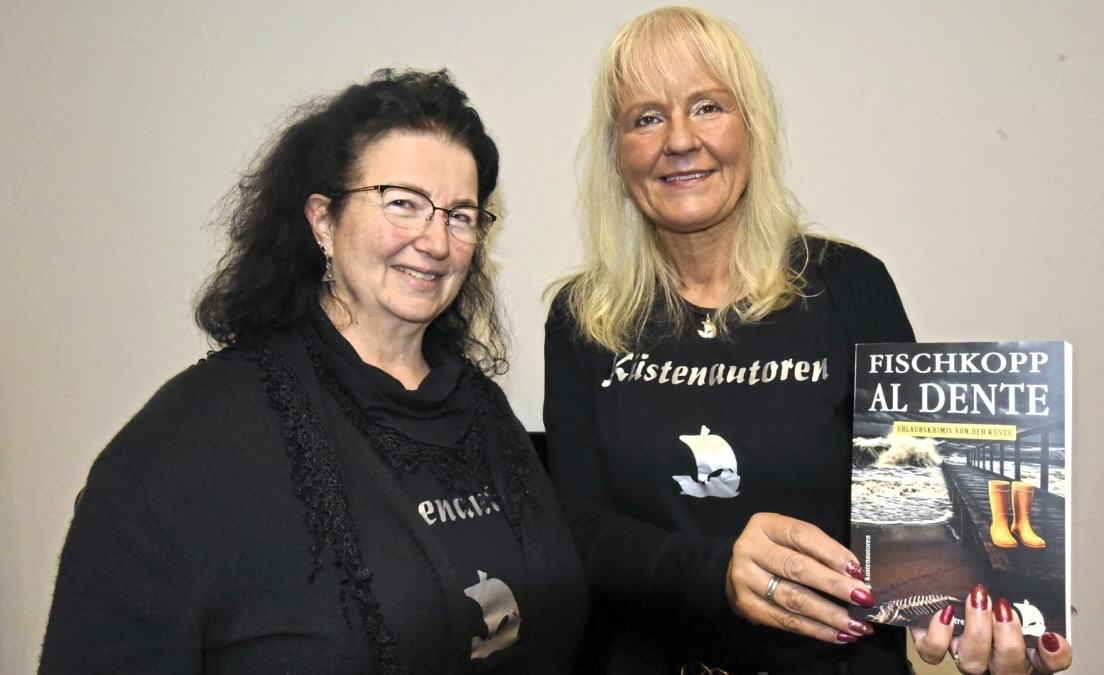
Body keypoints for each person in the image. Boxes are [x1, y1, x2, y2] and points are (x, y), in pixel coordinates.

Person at [543, 7, 1073, 675]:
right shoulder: (583, 318)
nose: (679, 139)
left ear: (752, 127)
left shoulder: (851, 285)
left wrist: (992, 605)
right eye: (646, 117)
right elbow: (577, 530)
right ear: (618, 153)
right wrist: (719, 571)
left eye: (708, 106)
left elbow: (920, 499)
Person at [40, 68, 587, 674]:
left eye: (459, 215)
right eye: (402, 204)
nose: (436, 242)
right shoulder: (188, 441)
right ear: (323, 220)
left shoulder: (483, 409)